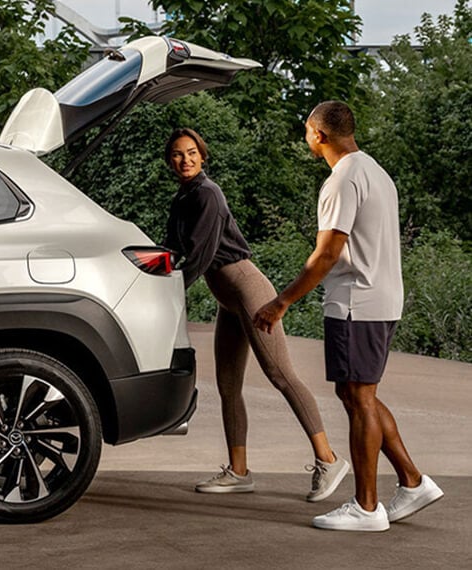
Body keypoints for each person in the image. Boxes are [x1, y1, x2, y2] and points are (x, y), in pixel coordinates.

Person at [254, 101, 444, 532]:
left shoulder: (342, 180)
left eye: (307, 132)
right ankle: (412, 482)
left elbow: (327, 254)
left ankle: (366, 506)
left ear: (318, 135)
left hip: (358, 302)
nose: (306, 138)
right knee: (360, 395)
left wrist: (281, 301)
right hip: (379, 299)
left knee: (359, 399)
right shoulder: (375, 171)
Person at [163, 127, 348, 501]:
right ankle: (239, 471)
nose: (185, 160)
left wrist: (168, 292)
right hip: (227, 299)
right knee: (228, 385)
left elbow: (199, 254)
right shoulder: (182, 199)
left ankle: (329, 459)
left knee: (280, 374)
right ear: (171, 161)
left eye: (191, 153)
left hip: (248, 290)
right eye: (178, 155)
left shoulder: (208, 195)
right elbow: (169, 247)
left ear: (202, 155)